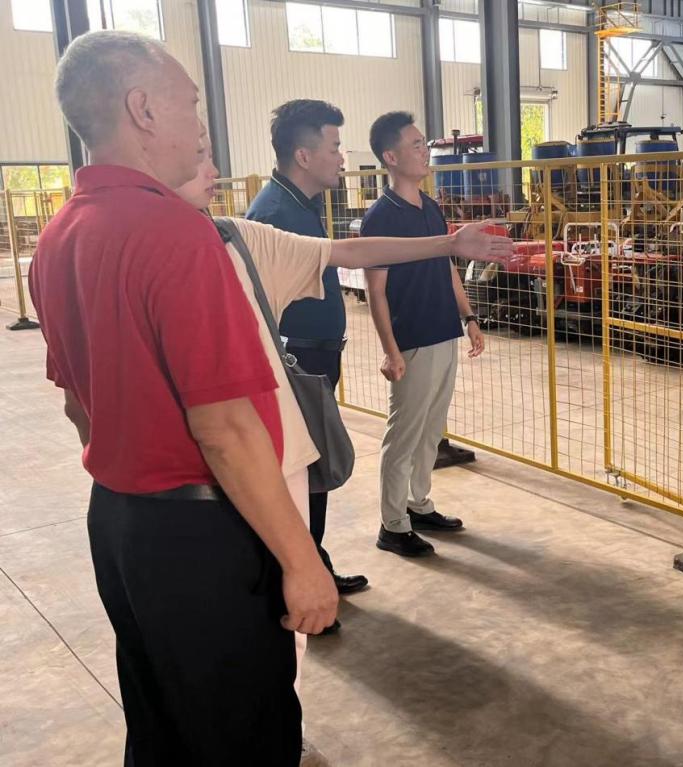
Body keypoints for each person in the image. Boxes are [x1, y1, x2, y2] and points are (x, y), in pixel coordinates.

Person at [29, 32, 335, 766]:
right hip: (205, 539)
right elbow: (226, 428)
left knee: (162, 723)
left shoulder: (59, 236)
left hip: (122, 526)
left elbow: (77, 405)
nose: (201, 127)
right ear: (142, 110)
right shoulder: (175, 232)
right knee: (243, 732)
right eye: (191, 106)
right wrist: (303, 559)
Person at [173, 141, 510, 762]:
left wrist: (450, 247)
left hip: (219, 467)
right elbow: (222, 429)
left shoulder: (235, 233)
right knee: (236, 639)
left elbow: (345, 254)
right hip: (212, 482)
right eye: (198, 151)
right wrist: (301, 563)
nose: (214, 168)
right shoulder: (235, 232)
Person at [246, 100, 363, 595]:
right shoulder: (274, 215)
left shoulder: (299, 205)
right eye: (334, 147)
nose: (341, 158)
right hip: (296, 362)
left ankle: (315, 565)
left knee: (311, 469)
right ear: (303, 155)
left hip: (315, 357)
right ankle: (303, 578)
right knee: (303, 472)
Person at [362, 112, 485, 557]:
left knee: (431, 430)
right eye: (415, 145)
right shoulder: (381, 217)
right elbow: (376, 291)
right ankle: (392, 525)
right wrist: (390, 350)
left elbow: (447, 267)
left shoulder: (430, 208)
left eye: (423, 144)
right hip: (411, 340)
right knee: (404, 435)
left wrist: (468, 316)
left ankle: (417, 504)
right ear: (391, 157)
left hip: (443, 333)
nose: (424, 152)